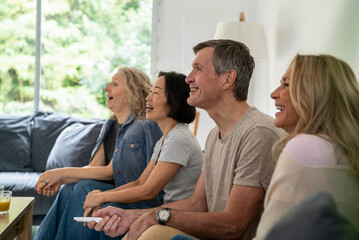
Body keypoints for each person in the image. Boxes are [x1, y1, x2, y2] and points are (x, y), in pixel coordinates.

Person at [88, 39, 284, 240]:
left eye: (198, 69)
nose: (189, 78)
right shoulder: (213, 136)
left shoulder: (257, 133)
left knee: (153, 232)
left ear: (227, 79)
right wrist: (134, 216)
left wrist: (156, 217)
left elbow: (233, 226)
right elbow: (197, 204)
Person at [34, 66, 163, 239]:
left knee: (84, 187)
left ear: (132, 91)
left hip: (133, 197)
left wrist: (61, 172)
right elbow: (94, 168)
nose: (106, 88)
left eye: (115, 84)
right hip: (114, 191)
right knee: (67, 189)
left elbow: (111, 170)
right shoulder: (109, 125)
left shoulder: (144, 125)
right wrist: (61, 180)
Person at [253, 54, 359, 239]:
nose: (274, 93)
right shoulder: (343, 147)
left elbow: (267, 234)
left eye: (286, 84)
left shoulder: (306, 147)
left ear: (314, 94)